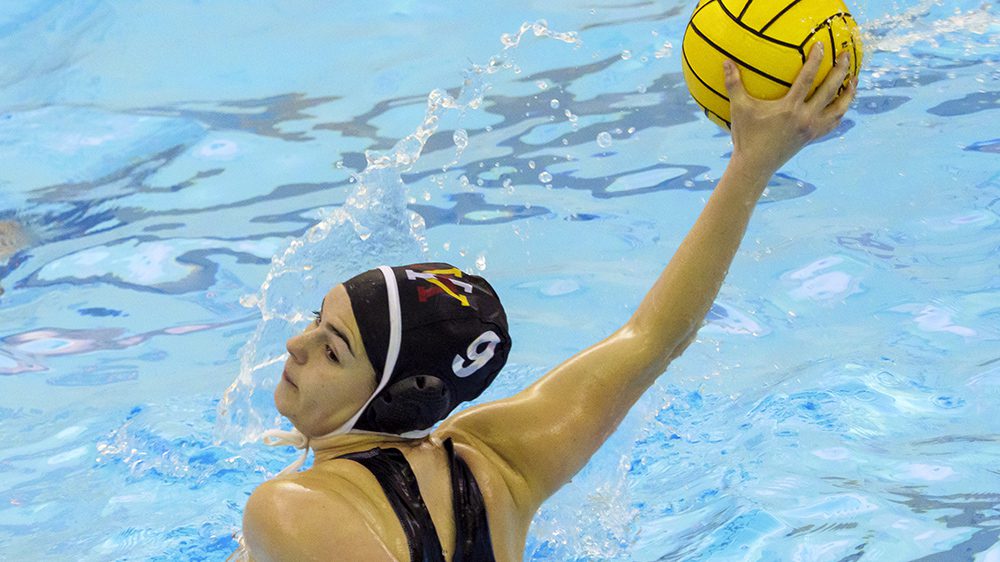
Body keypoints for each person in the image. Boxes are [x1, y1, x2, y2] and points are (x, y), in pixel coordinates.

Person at [237, 45, 858, 562]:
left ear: (401, 398)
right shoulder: (497, 465)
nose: (296, 344)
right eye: (319, 321)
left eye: (332, 349)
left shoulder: (290, 510)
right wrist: (752, 166)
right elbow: (653, 338)